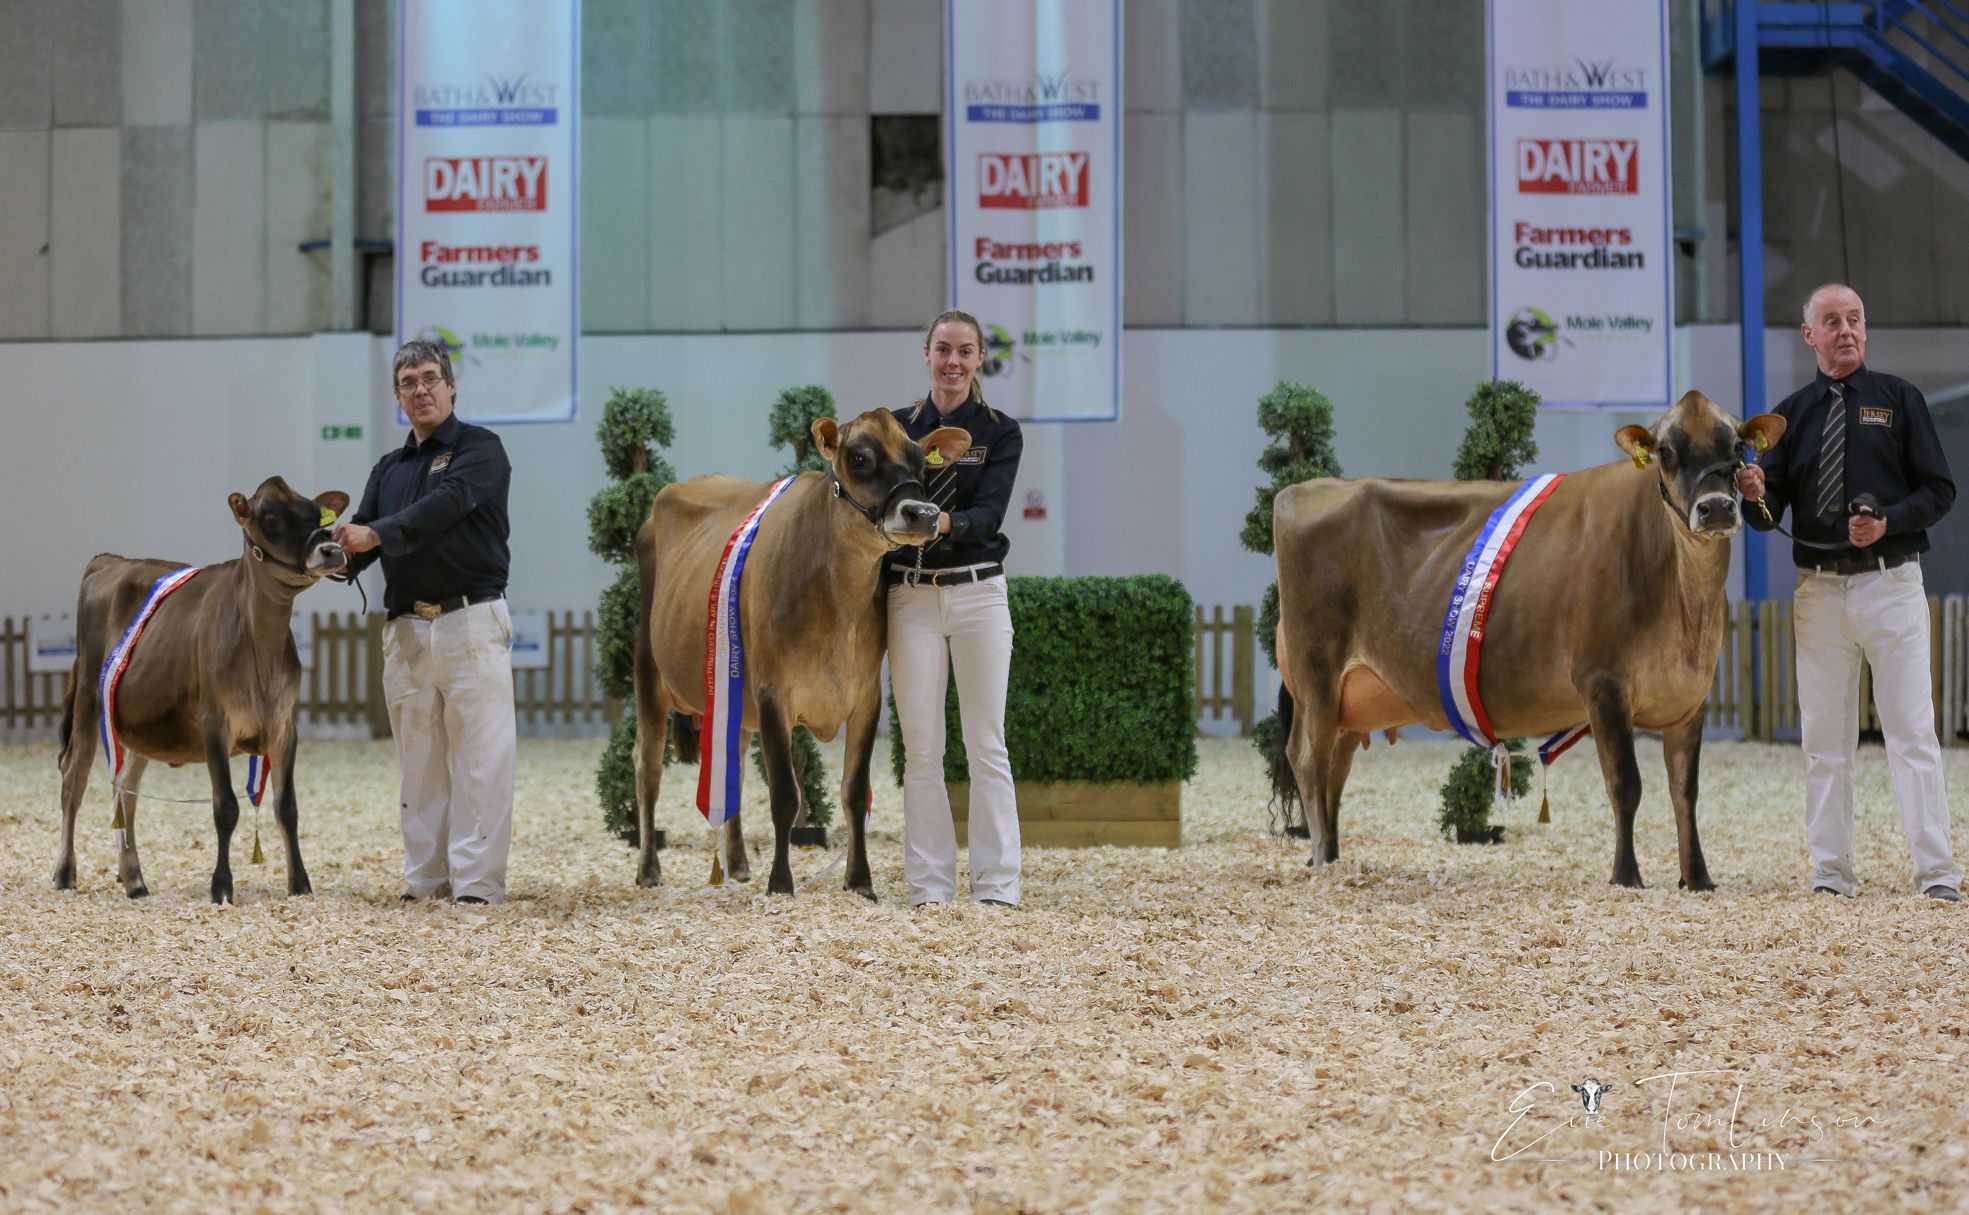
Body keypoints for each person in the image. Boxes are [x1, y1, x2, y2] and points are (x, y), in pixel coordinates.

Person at [1737, 283, 1959, 901]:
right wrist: (1753, 492)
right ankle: (1832, 874)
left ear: (1866, 327)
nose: (1846, 330)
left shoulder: (1900, 400)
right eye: (1831, 321)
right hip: (1820, 592)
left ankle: (1937, 872)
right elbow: (1765, 517)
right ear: (1809, 335)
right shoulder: (1789, 416)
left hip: (1892, 583)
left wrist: (1888, 520)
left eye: (1855, 319)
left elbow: (1939, 491)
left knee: (1912, 733)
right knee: (1824, 741)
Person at [333, 340, 517, 905]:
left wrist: (375, 534)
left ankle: (477, 886)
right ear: (397, 396)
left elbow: (445, 506)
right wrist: (321, 553)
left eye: (431, 378)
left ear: (452, 386)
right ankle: (426, 880)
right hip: (407, 628)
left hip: (471, 620)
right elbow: (359, 540)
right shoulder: (387, 469)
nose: (421, 390)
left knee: (481, 759)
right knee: (419, 764)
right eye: (408, 381)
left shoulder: (480, 449)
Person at [886, 310, 1024, 907]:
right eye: (943, 349)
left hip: (978, 593)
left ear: (979, 361)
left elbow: (989, 515)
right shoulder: (894, 427)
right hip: (911, 595)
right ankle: (930, 887)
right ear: (926, 354)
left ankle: (998, 886)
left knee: (985, 742)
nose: (953, 362)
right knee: (920, 747)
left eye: (965, 352)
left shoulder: (1000, 432)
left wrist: (940, 522)